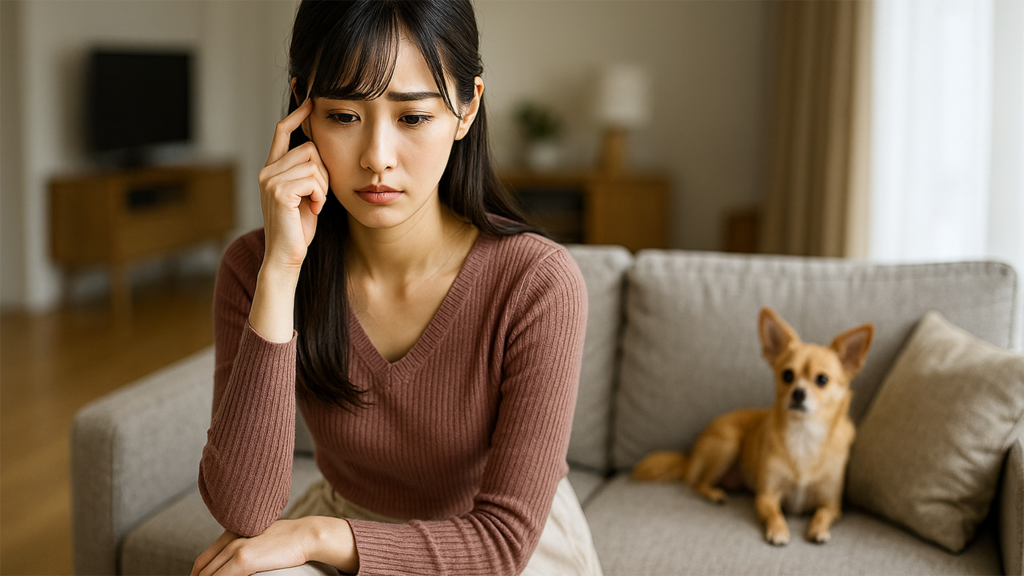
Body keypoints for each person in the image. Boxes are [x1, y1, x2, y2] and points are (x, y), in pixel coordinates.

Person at [189, 1, 604, 575]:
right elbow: (243, 508)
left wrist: (316, 534)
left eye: (412, 118)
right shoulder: (252, 267)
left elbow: (502, 543)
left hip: (496, 550)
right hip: (351, 526)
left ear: (467, 108)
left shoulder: (537, 283)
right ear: (303, 111)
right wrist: (281, 270)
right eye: (342, 115)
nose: (376, 159)